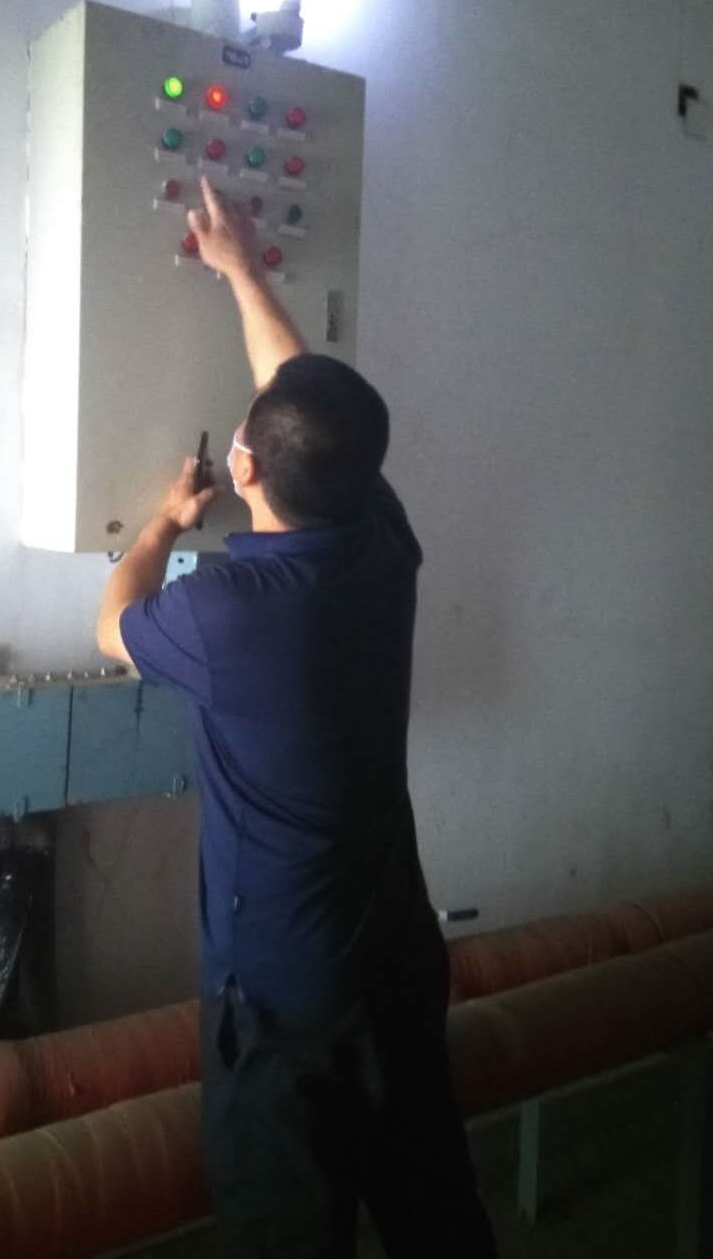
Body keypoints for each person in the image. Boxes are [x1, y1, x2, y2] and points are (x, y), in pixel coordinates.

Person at [97, 176, 498, 1258]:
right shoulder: (383, 544)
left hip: (282, 1012)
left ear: (242, 468)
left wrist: (160, 525)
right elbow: (299, 400)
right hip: (397, 969)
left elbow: (113, 625)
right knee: (437, 1218)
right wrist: (242, 267)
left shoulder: (227, 608)